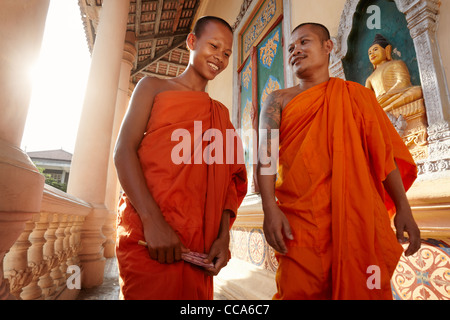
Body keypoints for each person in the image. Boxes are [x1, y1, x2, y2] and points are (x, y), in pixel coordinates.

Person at [257, 22, 421, 300]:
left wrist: (404, 208)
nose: (296, 50)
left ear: (328, 46)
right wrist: (269, 208)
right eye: (291, 47)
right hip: (299, 220)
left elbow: (384, 155)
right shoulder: (278, 100)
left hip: (357, 218)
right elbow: (265, 158)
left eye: (304, 42)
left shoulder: (357, 96)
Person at [114, 16, 247, 300]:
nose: (220, 58)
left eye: (227, 53)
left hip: (200, 246)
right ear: (191, 42)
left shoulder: (220, 115)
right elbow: (123, 151)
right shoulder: (153, 87)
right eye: (214, 46)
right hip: (148, 235)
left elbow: (229, 184)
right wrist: (153, 222)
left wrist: (224, 238)